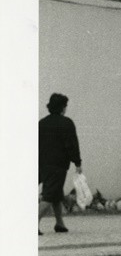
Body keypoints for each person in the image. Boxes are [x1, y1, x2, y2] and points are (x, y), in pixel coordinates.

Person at [38, 93, 82, 234]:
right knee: (49, 195)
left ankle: (59, 223)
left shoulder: (42, 123)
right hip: (58, 165)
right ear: (62, 107)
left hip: (43, 164)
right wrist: (78, 162)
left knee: (56, 194)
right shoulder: (66, 123)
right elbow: (72, 145)